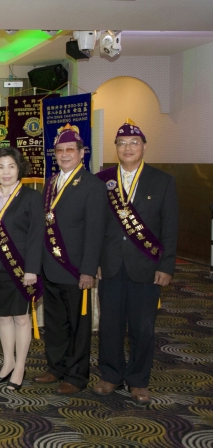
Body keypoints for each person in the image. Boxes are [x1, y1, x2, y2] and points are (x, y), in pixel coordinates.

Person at [93, 120, 177, 405]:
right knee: (110, 325)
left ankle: (139, 380)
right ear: (115, 148)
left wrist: (166, 265)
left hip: (147, 267)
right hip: (110, 265)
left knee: (143, 327)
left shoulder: (162, 180)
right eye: (122, 143)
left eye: (133, 143)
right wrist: (96, 261)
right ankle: (110, 374)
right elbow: (97, 226)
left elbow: (170, 227)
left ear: (144, 146)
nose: (127, 148)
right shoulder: (102, 180)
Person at [33, 125, 106, 395]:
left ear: (82, 152)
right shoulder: (51, 182)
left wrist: (88, 269)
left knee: (78, 325)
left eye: (70, 150)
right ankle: (56, 367)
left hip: (75, 269)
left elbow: (95, 231)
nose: (64, 155)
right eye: (60, 150)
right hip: (50, 267)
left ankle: (76, 376)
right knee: (55, 323)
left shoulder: (93, 185)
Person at [0, 147, 44, 391]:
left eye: (11, 166)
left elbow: (36, 235)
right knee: (3, 316)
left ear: (19, 169)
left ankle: (20, 366)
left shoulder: (31, 197)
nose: (6, 172)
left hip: (21, 269)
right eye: (0, 167)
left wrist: (32, 269)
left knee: (20, 317)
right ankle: (8, 362)